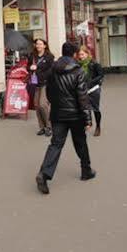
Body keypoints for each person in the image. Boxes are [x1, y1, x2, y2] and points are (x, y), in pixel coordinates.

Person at [36, 42, 95, 194]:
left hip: (57, 113)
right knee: (80, 142)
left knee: (56, 144)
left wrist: (56, 105)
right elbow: (82, 96)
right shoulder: (78, 70)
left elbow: (49, 92)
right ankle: (86, 170)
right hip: (75, 115)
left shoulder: (53, 70)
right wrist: (88, 118)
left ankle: (44, 174)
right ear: (74, 54)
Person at [28, 39, 55, 136]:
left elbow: (51, 70)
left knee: (43, 104)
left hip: (46, 83)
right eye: (37, 44)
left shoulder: (49, 57)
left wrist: (39, 71)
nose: (38, 46)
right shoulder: (32, 56)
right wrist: (30, 68)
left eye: (40, 44)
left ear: (45, 45)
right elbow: (28, 67)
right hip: (35, 83)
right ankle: (42, 127)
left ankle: (49, 126)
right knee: (36, 105)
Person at [77, 45, 104, 136]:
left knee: (95, 109)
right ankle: (87, 124)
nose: (81, 56)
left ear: (87, 54)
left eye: (83, 54)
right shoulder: (78, 64)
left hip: (94, 89)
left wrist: (91, 83)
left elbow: (100, 75)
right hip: (82, 90)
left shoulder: (94, 63)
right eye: (80, 55)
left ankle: (98, 127)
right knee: (83, 108)